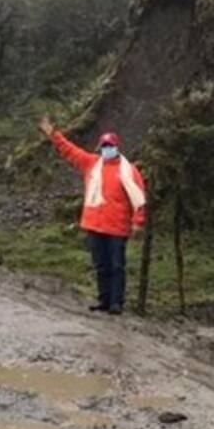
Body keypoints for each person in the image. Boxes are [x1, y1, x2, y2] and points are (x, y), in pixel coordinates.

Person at [38, 116, 146, 315]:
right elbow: (70, 151)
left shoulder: (128, 171)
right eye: (104, 146)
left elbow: (139, 198)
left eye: (110, 146)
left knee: (117, 266)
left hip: (117, 227)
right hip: (95, 225)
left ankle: (116, 302)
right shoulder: (92, 163)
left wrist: (138, 222)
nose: (107, 149)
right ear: (100, 148)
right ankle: (104, 300)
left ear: (117, 147)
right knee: (101, 265)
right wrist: (53, 135)